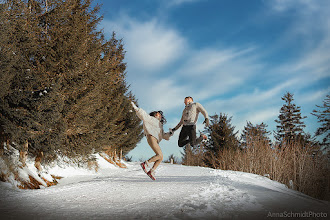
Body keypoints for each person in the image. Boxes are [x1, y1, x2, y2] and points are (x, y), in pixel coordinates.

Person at [131, 101, 172, 180]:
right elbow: (143, 114)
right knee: (159, 155)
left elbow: (164, 135)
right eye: (157, 113)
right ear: (154, 115)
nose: (158, 114)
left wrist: (170, 133)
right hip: (151, 137)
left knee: (160, 157)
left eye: (159, 114)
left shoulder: (160, 125)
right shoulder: (150, 119)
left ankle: (151, 171)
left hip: (155, 140)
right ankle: (145, 164)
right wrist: (136, 108)